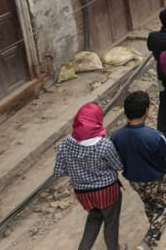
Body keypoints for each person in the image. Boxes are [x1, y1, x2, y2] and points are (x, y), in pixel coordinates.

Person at [111, 92, 166, 250]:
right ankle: (148, 242)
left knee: (149, 203)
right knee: (165, 203)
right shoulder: (153, 136)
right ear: (146, 110)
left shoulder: (117, 136)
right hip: (155, 179)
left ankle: (153, 227)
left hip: (134, 181)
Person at [53, 103, 125, 250]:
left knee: (94, 219)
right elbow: (118, 166)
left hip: (83, 194)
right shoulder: (104, 145)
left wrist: (77, 171)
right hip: (107, 191)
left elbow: (59, 171)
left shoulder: (65, 144)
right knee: (110, 222)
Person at [145, 8, 166, 133]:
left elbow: (150, 48)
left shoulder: (152, 36)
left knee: (164, 101)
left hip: (161, 74)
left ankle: (161, 130)